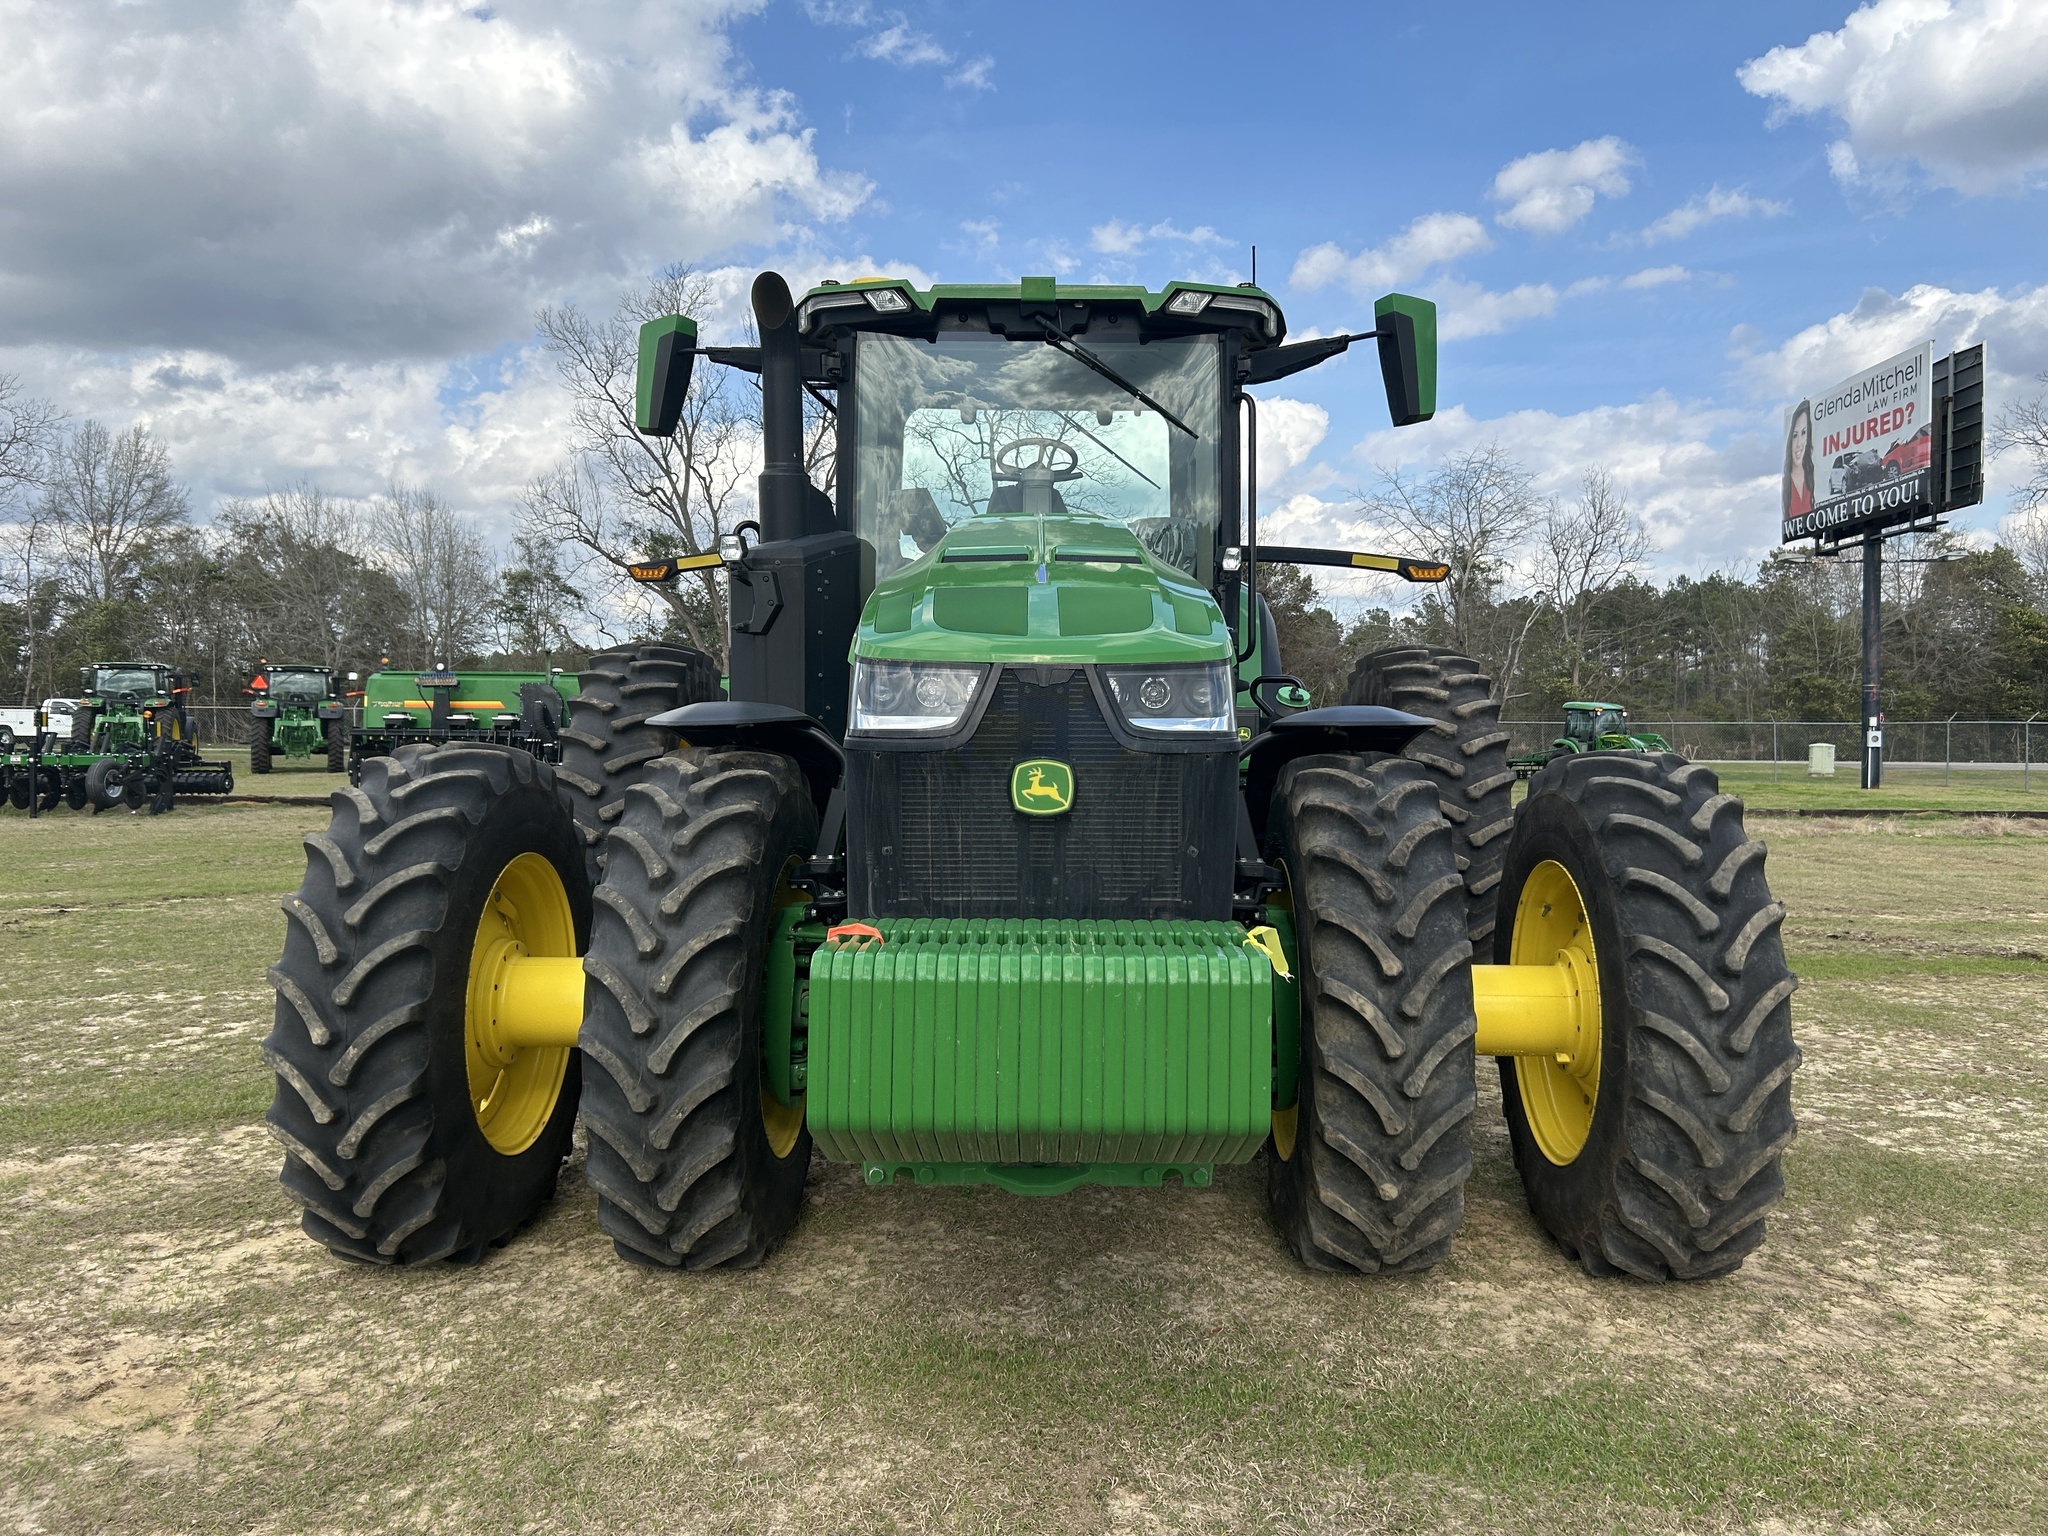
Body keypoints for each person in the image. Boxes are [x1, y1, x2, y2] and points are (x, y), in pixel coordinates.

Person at [1783, 399, 1815, 522]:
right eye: (1795, 435)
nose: (1799, 444)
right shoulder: (1786, 483)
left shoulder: (1811, 478)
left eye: (1804, 433)